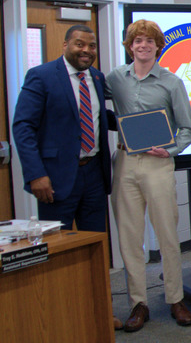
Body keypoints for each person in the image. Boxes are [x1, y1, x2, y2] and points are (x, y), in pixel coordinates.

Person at [12, 25, 121, 330]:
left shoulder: (97, 78)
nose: (86, 50)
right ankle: (58, 314)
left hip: (94, 177)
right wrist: (36, 175)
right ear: (65, 45)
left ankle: (100, 309)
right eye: (79, 44)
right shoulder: (41, 76)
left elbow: (102, 119)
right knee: (56, 249)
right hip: (54, 180)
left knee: (96, 249)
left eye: (92, 45)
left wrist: (143, 123)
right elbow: (23, 127)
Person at [108, 19, 191, 332]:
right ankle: (138, 303)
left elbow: (188, 128)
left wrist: (171, 149)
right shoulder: (115, 78)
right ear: (129, 46)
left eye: (149, 41)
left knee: (167, 235)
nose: (143, 46)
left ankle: (175, 298)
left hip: (158, 163)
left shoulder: (172, 82)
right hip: (126, 162)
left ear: (158, 46)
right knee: (130, 237)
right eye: (137, 41)